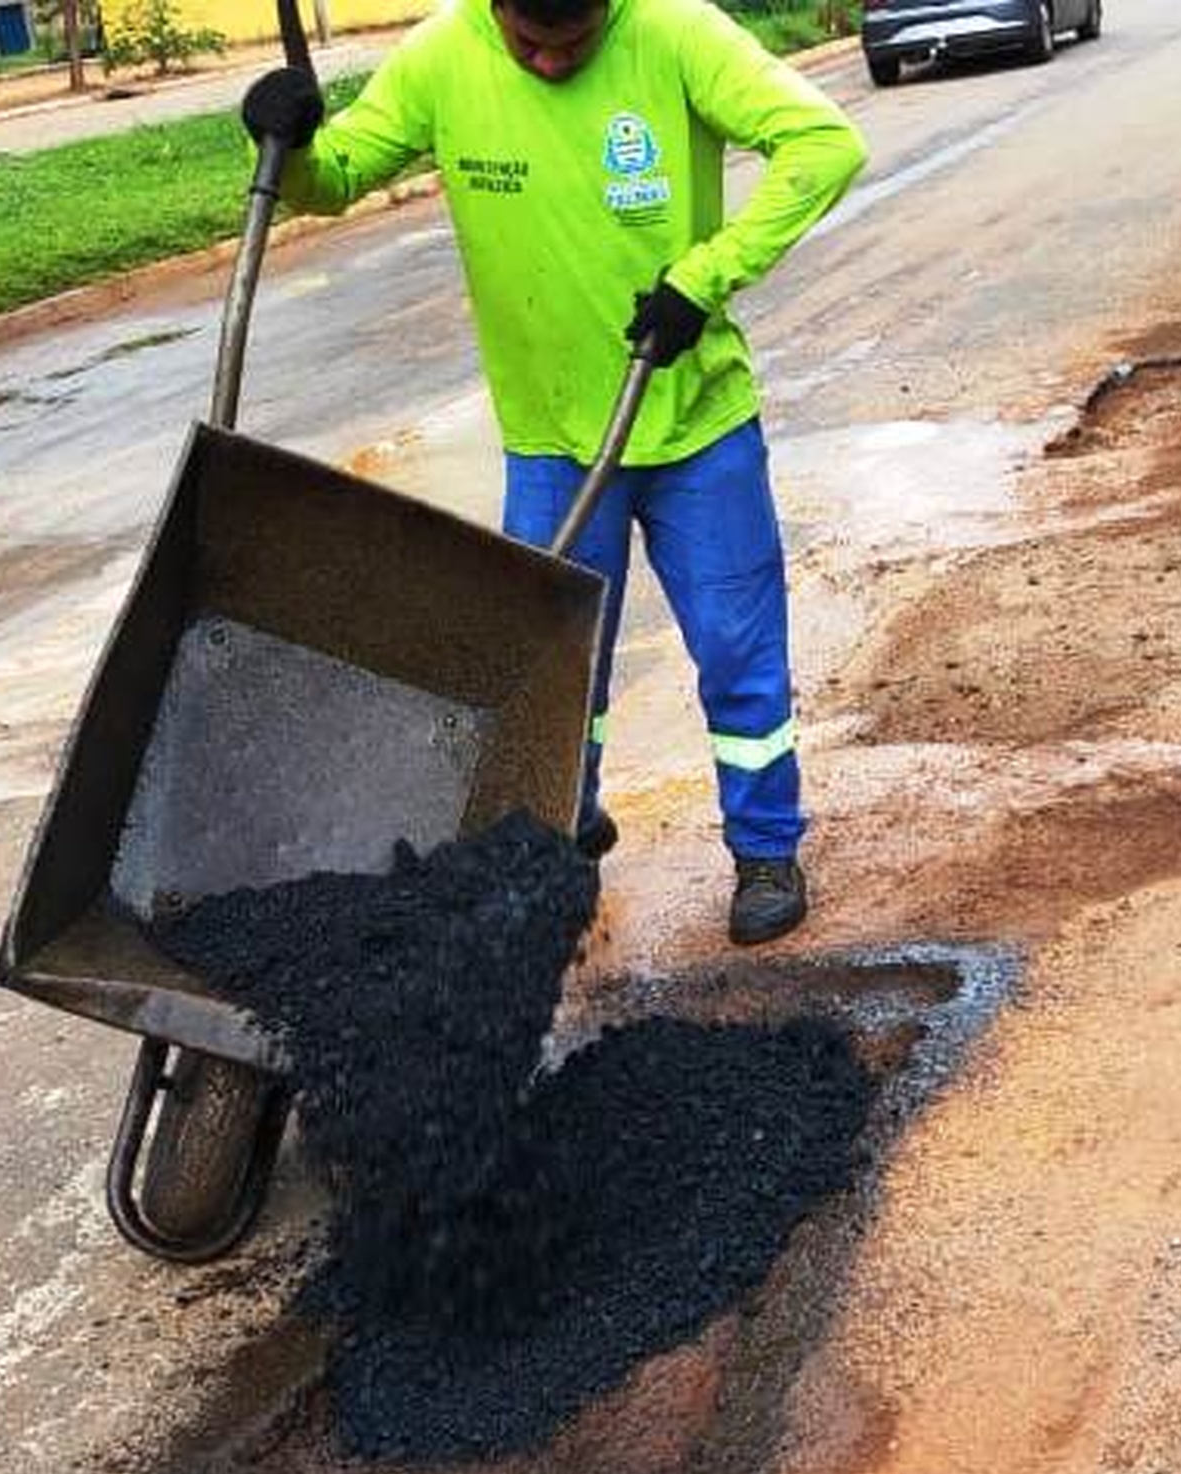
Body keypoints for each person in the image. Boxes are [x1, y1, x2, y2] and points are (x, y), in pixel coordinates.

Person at [241, 0, 866, 945]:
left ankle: (765, 847)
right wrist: (285, 140)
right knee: (552, 670)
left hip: (698, 424)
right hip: (549, 441)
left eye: (568, 42)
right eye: (523, 36)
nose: (541, 58)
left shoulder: (675, 32)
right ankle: (562, 831)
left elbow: (824, 143)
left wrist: (706, 277)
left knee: (739, 656)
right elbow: (337, 176)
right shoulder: (444, 55)